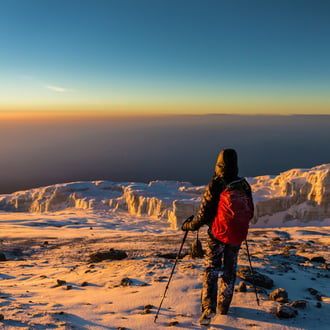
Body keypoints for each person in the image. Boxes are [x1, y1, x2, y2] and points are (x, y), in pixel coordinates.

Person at [182, 148, 254, 325]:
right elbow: (250, 212)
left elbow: (204, 215)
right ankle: (224, 306)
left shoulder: (216, 184)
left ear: (219, 164)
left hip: (216, 234)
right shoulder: (243, 185)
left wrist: (189, 226)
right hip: (236, 236)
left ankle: (208, 308)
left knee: (211, 269)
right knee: (230, 269)